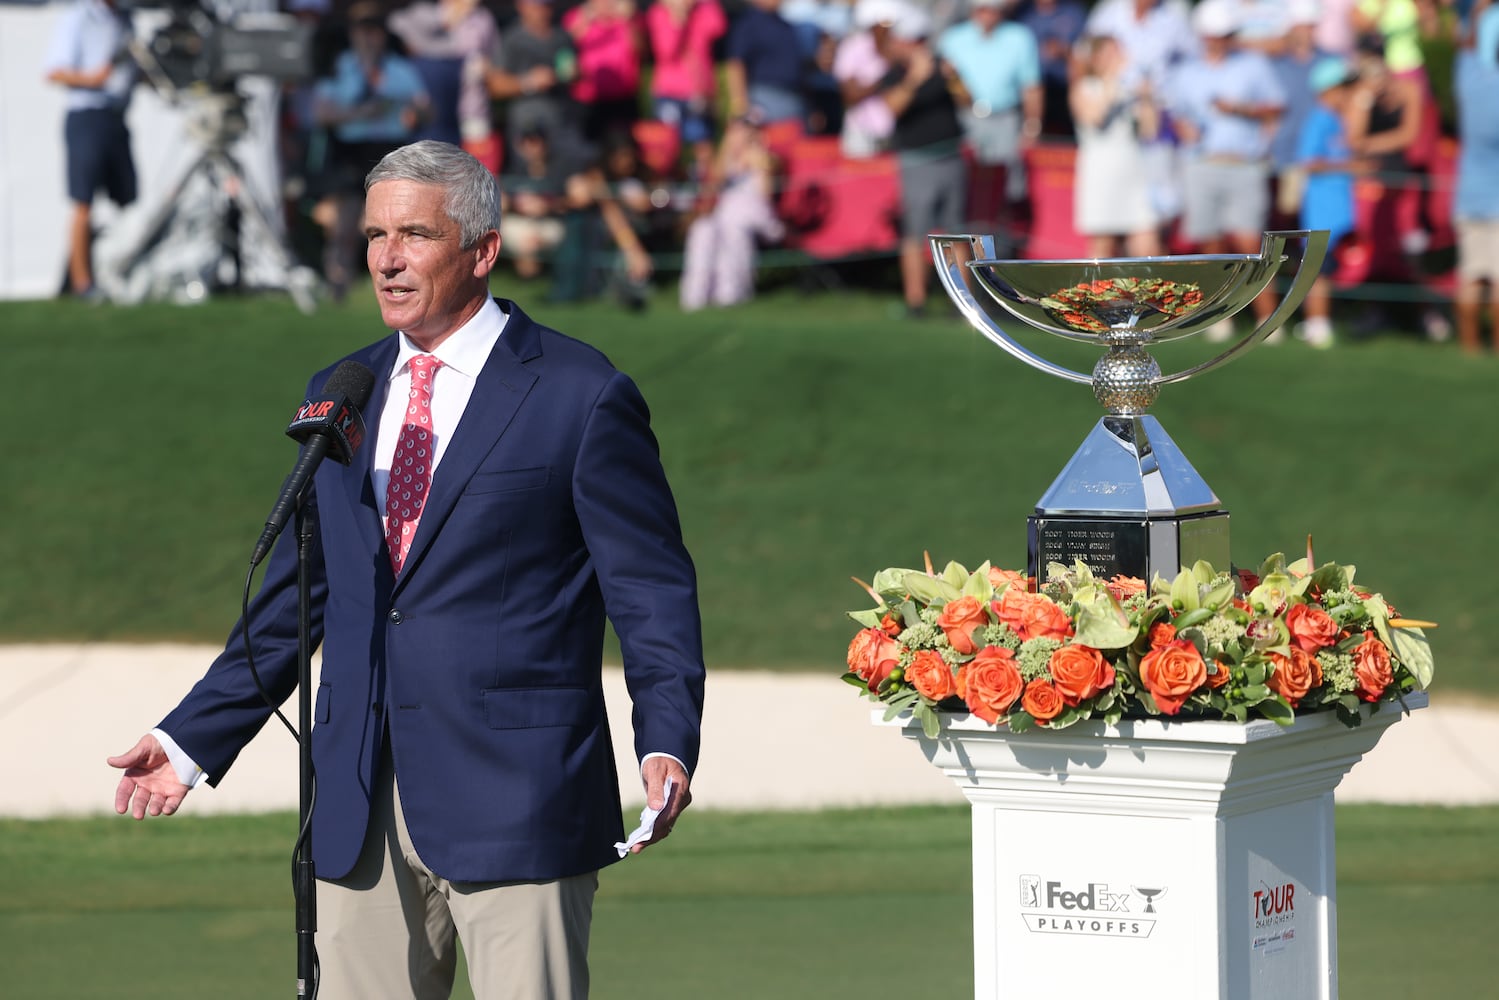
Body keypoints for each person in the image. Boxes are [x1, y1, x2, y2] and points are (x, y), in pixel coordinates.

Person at [107, 139, 705, 1000]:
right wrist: (190, 739)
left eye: (415, 235)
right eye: (375, 235)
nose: (387, 259)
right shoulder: (340, 390)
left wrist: (666, 736)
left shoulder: (581, 392)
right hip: (355, 802)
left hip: (518, 799)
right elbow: (297, 602)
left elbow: (649, 588)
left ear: (482, 250)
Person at [1165, 0, 1285, 336]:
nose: (1218, 41)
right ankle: (1219, 318)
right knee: (1210, 244)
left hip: (1244, 163)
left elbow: (1275, 108)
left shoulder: (1253, 66)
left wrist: (1241, 110)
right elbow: (1175, 115)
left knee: (1251, 244)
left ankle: (1266, 321)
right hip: (1201, 163)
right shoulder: (1186, 72)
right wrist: (1183, 128)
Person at [313, 2, 430, 298]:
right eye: (363, 30)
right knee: (347, 214)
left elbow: (426, 108)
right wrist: (360, 113)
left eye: (374, 31)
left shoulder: (399, 68)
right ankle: (339, 273)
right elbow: (323, 113)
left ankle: (402, 275)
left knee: (400, 219)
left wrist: (415, 113)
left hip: (392, 150)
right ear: (353, 33)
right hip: (350, 149)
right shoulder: (341, 67)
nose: (369, 38)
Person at [42, 0, 139, 303]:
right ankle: (82, 285)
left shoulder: (126, 19)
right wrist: (95, 78)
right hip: (86, 116)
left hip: (117, 117)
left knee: (128, 201)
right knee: (83, 203)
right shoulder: (77, 17)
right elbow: (54, 71)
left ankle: (122, 273)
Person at [880, 4, 969, 317]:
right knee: (915, 234)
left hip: (950, 156)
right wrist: (915, 79)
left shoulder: (943, 67)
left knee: (957, 232)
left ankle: (962, 302)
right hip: (916, 160)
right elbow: (891, 108)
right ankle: (915, 300)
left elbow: (967, 100)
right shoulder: (896, 73)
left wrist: (954, 78)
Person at [937, 0, 1042, 234]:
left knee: (1007, 188)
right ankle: (969, 246)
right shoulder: (953, 38)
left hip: (1005, 119)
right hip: (965, 120)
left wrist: (1032, 125)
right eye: (982, 9)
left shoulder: (1019, 37)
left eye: (993, 10)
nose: (988, 15)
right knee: (965, 188)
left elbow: (1031, 87)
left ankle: (1000, 246)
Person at [1293, 57, 1366, 349]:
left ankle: (1320, 321)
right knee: (1318, 272)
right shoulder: (1320, 119)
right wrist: (1350, 168)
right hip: (1321, 212)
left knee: (1329, 270)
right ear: (1325, 91)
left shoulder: (1337, 120)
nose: (1348, 93)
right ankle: (1317, 324)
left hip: (1336, 211)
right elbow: (1309, 162)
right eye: (1342, 87)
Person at [679, 113, 785, 309]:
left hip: (756, 219)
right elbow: (713, 185)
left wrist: (754, 159)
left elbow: (766, 195)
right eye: (734, 131)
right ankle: (695, 296)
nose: (737, 136)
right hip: (726, 217)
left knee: (734, 229)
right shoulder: (726, 159)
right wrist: (727, 153)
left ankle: (733, 293)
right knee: (703, 230)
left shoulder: (763, 157)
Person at [1069, 33, 1161, 257]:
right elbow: (1095, 117)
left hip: (1132, 171)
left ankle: (1145, 293)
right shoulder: (1084, 87)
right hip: (1100, 174)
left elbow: (1150, 131)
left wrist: (1147, 98)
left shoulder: (1129, 91)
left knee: (1147, 243)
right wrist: (1113, 77)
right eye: (1111, 53)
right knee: (1103, 246)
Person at [388, 0, 505, 172]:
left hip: (473, 113)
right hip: (433, 117)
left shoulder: (483, 18)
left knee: (473, 181)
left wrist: (486, 69)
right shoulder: (422, 12)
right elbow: (397, 24)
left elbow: (496, 65)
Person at [1452, 0, 1499, 354]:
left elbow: (1467, 45)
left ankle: (1469, 349)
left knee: (1470, 277)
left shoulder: (1468, 75)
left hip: (1468, 194)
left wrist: (1481, 9)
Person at [645, 0, 729, 179]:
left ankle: (705, 194)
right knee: (667, 148)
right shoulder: (659, 12)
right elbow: (666, 51)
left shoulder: (703, 8)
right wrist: (677, 20)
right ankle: (668, 192)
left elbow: (718, 26)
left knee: (703, 145)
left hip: (700, 90)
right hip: (669, 92)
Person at [724, 0, 811, 125]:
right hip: (763, 102)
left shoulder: (786, 26)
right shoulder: (748, 24)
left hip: (794, 103)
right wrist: (740, 107)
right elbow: (735, 66)